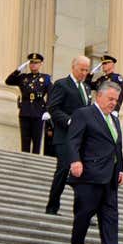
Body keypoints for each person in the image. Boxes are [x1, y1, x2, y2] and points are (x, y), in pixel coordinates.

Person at [65, 81, 123, 244]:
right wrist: (75, 160)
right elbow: (73, 140)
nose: (113, 103)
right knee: (83, 216)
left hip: (109, 179)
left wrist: (120, 169)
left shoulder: (115, 120)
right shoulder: (83, 114)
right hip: (89, 176)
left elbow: (116, 146)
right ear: (99, 96)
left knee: (111, 220)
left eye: (116, 100)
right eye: (110, 99)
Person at [46, 55, 95, 214]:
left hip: (81, 139)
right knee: (63, 170)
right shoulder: (62, 84)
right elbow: (53, 109)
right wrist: (69, 122)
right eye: (82, 69)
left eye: (87, 70)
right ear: (73, 67)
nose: (84, 73)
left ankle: (82, 212)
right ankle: (52, 207)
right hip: (64, 137)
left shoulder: (86, 88)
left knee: (83, 176)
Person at [6, 52, 51, 154]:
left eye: (36, 63)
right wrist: (17, 71)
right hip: (25, 111)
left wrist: (48, 110)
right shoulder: (23, 77)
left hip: (38, 112)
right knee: (25, 140)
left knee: (36, 141)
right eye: (31, 63)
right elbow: (8, 81)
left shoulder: (46, 78)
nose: (33, 65)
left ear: (40, 64)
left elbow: (50, 95)